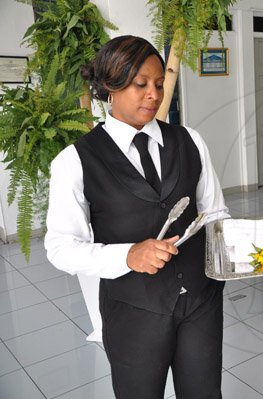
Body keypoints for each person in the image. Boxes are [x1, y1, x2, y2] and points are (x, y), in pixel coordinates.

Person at [44, 35, 227, 399]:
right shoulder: (75, 161)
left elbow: (215, 213)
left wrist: (251, 251)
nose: (154, 95)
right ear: (110, 87)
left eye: (159, 84)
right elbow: (60, 247)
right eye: (140, 84)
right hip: (134, 312)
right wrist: (126, 255)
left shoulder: (190, 140)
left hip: (200, 303)